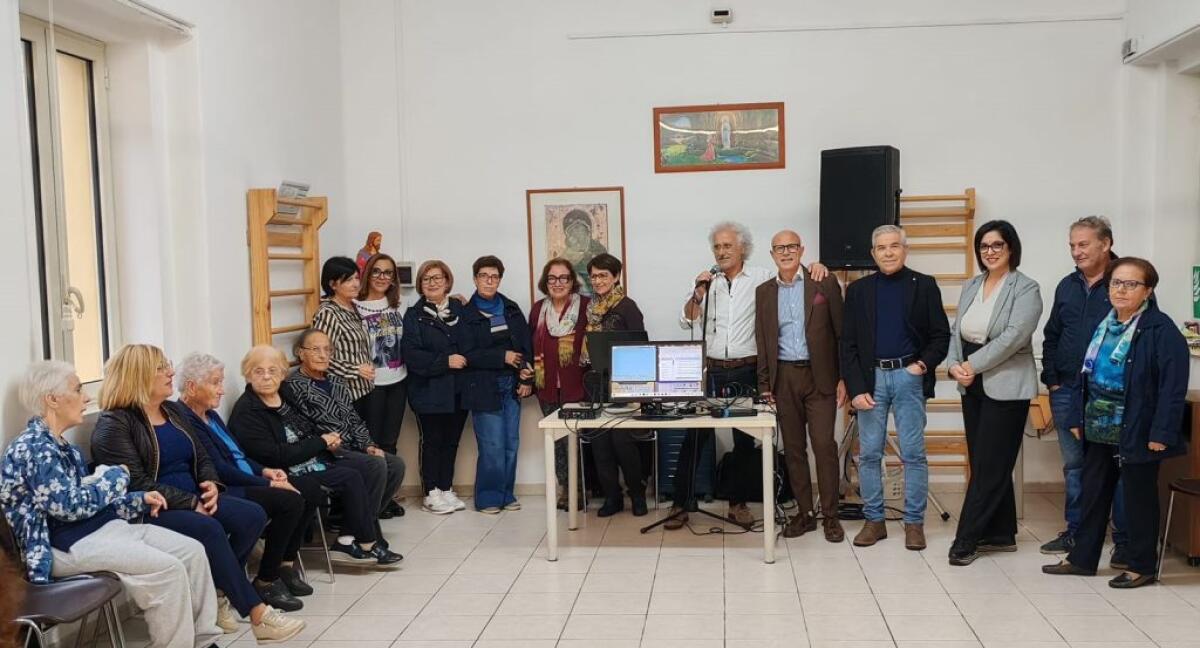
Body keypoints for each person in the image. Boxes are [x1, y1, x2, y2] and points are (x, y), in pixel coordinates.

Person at [90, 344, 305, 643]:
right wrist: (191, 502)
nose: (171, 372)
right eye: (162, 368)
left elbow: (203, 457)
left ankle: (219, 588)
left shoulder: (171, 411)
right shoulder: (115, 423)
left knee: (252, 516)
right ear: (138, 376)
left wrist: (211, 485)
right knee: (210, 528)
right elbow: (136, 483)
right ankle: (257, 613)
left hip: (193, 497)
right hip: (154, 507)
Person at [1, 360, 222, 648]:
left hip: (99, 530)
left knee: (192, 551)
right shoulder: (32, 448)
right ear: (52, 400)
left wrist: (138, 500)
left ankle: (205, 642)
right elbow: (69, 507)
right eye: (78, 390)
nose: (87, 398)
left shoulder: (63, 446)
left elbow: (93, 502)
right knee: (167, 569)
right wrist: (115, 476)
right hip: (62, 545)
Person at [1043, 257, 1189, 588]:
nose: (1121, 290)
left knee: (1138, 499)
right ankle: (1082, 559)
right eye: (1116, 283)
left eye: (1130, 284)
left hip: (1138, 429)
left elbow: (1172, 387)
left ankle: (1141, 565)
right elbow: (1088, 374)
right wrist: (1081, 417)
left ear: (1148, 290)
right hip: (1098, 426)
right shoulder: (1105, 323)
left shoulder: (1161, 330)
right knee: (1093, 495)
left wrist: (1162, 432)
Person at [672, 221, 828, 529]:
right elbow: (685, 320)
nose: (721, 252)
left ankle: (737, 504)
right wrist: (697, 293)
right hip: (712, 369)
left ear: (743, 248)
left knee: (744, 440)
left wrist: (817, 266)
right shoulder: (706, 283)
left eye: (727, 245)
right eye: (717, 246)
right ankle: (681, 502)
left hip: (747, 368)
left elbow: (792, 274)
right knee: (695, 434)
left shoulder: (761, 277)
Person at [229, 345, 399, 566]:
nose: (267, 377)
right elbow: (276, 455)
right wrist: (321, 442)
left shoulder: (284, 394)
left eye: (273, 371)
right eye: (258, 371)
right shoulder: (247, 411)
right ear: (247, 375)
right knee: (351, 475)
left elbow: (307, 424)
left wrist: (327, 438)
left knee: (369, 468)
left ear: (282, 374)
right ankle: (365, 540)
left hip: (312, 460)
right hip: (284, 472)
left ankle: (351, 539)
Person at [841, 225, 950, 551]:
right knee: (870, 454)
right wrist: (856, 387)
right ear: (873, 253)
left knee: (914, 455)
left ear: (905, 249)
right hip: (870, 381)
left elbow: (940, 336)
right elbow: (847, 344)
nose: (888, 252)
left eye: (894, 246)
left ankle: (914, 524)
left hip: (907, 378)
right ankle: (874, 521)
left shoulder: (925, 285)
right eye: (881, 248)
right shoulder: (859, 291)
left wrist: (921, 366)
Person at [175, 352, 309, 609]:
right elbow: (222, 470)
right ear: (192, 387)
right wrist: (268, 484)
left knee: (298, 496)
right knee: (288, 501)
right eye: (215, 383)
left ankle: (263, 575)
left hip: (245, 479)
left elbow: (238, 456)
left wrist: (265, 472)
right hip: (228, 487)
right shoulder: (186, 419)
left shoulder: (210, 415)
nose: (222, 391)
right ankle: (261, 580)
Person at [945, 221, 1043, 566]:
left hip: (1006, 385)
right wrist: (955, 364)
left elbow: (1014, 337)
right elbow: (957, 331)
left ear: (1011, 248)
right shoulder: (972, 284)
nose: (990, 251)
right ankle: (1000, 534)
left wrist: (973, 365)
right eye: (984, 246)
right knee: (986, 459)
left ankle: (966, 538)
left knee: (990, 464)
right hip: (972, 385)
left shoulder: (1026, 288)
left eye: (997, 245)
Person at [1039, 216, 1127, 561]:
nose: (1076, 251)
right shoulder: (1067, 285)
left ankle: (1124, 541)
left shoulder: (1126, 282)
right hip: (1067, 389)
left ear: (1105, 244)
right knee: (1074, 465)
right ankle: (1076, 532)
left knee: (1116, 467)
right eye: (1072, 245)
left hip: (1109, 394)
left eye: (1083, 244)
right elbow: (1052, 335)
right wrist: (1053, 378)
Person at [755, 230, 846, 541]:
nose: (785, 252)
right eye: (779, 247)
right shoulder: (764, 292)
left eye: (791, 246)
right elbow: (764, 340)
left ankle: (831, 516)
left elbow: (841, 333)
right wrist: (765, 384)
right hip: (784, 379)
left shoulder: (823, 282)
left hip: (820, 376)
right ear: (772, 254)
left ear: (801, 249)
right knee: (793, 449)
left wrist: (844, 377)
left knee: (824, 445)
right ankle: (805, 514)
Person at [281, 329, 408, 539]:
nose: (323, 355)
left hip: (351, 446)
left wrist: (368, 445)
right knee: (375, 465)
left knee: (395, 464)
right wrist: (325, 442)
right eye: (315, 349)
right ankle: (361, 532)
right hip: (325, 451)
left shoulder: (337, 381)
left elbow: (353, 418)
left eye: (327, 349)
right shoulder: (294, 386)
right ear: (300, 353)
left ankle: (355, 521)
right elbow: (302, 426)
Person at [317, 255, 403, 519]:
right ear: (333, 284)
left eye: (356, 277)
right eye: (350, 279)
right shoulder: (328, 312)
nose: (356, 283)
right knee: (359, 451)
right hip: (347, 392)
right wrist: (354, 369)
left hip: (365, 390)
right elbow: (319, 356)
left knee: (375, 448)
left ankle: (375, 502)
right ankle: (352, 511)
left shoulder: (352, 308)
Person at [460, 255, 534, 513]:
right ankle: (488, 498)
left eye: (494, 277)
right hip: (483, 386)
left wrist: (527, 376)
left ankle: (506, 494)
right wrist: (501, 356)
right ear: (475, 278)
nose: (489, 281)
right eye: (484, 276)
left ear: (500, 279)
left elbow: (526, 345)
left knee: (511, 443)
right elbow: (467, 353)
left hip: (511, 385)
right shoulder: (466, 313)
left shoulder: (511, 307)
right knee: (492, 444)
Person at [402, 260, 471, 515]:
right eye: (426, 279)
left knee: (452, 441)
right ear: (420, 285)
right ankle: (431, 492)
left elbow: (471, 342)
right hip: (428, 390)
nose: (432, 283)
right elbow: (412, 355)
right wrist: (446, 361)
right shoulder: (413, 315)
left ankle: (446, 488)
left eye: (437, 278)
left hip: (457, 390)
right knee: (432, 441)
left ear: (447, 281)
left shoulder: (461, 309)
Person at [582, 253, 648, 517]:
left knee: (623, 443)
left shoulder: (627, 307)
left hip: (625, 384)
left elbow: (641, 347)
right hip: (596, 382)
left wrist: (641, 389)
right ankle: (612, 497)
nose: (598, 281)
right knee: (600, 444)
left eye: (603, 275)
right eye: (594, 276)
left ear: (616, 276)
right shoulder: (589, 308)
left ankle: (638, 494)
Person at [528, 257, 591, 510]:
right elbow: (529, 344)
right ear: (546, 281)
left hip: (577, 386)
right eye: (552, 278)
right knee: (557, 443)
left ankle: (581, 490)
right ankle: (566, 488)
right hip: (547, 387)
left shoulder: (586, 307)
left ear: (572, 281)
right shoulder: (537, 310)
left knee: (575, 440)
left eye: (563, 278)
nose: (558, 283)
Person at [355, 253, 410, 464]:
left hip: (398, 382)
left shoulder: (400, 303)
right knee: (371, 442)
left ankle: (388, 493)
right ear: (368, 273)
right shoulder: (354, 305)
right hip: (370, 386)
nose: (382, 276)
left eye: (388, 272)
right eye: (376, 271)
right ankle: (373, 495)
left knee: (390, 441)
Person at [560, 209, 609, 294]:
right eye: (572, 231)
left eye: (579, 229)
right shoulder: (567, 255)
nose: (576, 234)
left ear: (588, 232)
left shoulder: (599, 251)